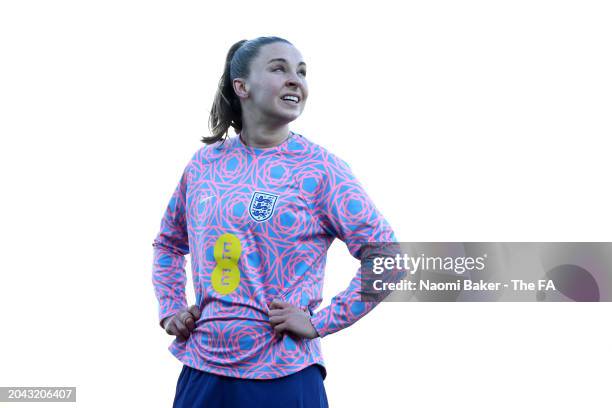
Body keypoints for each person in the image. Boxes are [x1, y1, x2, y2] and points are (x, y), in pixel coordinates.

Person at [152, 36, 399, 407]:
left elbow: (388, 258)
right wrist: (171, 306)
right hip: (202, 371)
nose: (295, 80)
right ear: (242, 86)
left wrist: (322, 321)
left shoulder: (320, 169)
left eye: (301, 72)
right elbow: (169, 244)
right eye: (279, 69)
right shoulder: (203, 164)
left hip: (284, 374)